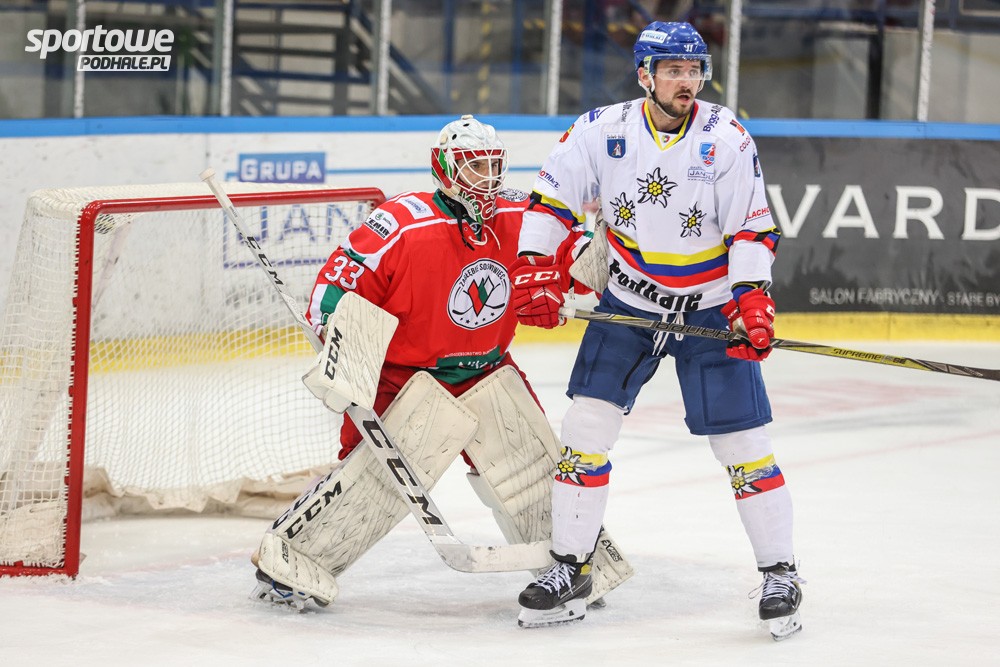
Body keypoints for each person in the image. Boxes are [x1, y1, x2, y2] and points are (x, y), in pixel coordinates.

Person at [250, 115, 632, 612]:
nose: (487, 179)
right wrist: (338, 340)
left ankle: (572, 568)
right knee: (369, 480)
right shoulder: (402, 223)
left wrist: (607, 255)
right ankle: (288, 563)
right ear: (444, 168)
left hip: (488, 371)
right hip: (404, 378)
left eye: (493, 166)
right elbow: (335, 285)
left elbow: (578, 257)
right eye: (474, 167)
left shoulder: (520, 213)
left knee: (535, 471)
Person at [510, 22, 803, 639]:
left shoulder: (726, 137)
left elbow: (751, 228)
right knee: (586, 429)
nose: (686, 82)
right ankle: (571, 567)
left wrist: (751, 299)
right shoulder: (602, 130)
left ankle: (780, 572)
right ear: (645, 75)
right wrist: (534, 265)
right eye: (673, 71)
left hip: (709, 307)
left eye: (694, 70)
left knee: (743, 446)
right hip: (629, 302)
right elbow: (551, 201)